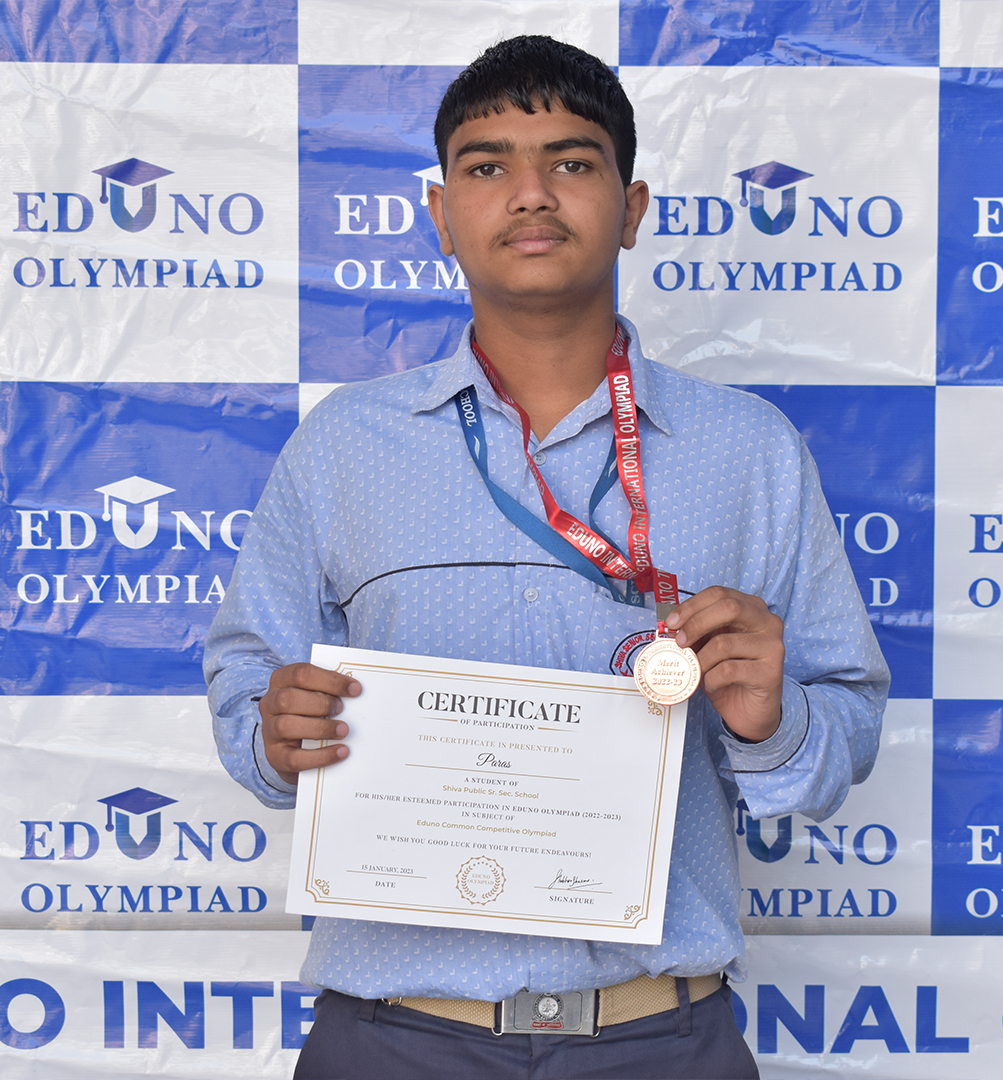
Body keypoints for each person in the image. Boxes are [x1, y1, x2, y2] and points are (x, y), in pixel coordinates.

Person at [205, 34, 888, 1080]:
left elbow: (844, 728)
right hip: (394, 1037)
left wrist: (774, 718)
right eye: (488, 166)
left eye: (572, 161)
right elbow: (247, 694)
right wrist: (274, 729)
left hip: (660, 1043)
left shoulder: (750, 451)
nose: (531, 193)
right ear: (441, 215)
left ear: (633, 206)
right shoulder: (343, 446)